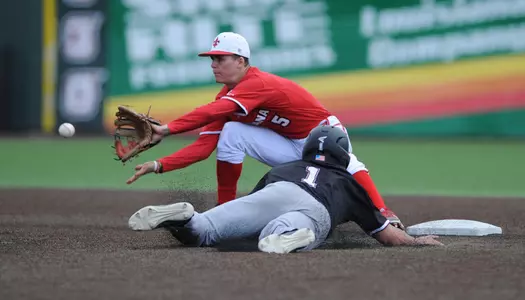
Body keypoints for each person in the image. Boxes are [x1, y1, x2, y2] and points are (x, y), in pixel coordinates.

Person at [122, 31, 403, 228]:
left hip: (322, 136)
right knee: (231, 133)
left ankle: (382, 211)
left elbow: (213, 111)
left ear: (241, 61)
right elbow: (204, 147)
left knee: (349, 164)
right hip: (288, 145)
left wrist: (168, 129)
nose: (213, 64)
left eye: (221, 58)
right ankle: (224, 211)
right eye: (212, 59)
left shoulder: (258, 84)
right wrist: (159, 164)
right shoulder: (227, 99)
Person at [128, 125, 443, 253]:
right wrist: (416, 241)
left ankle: (187, 217)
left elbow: (251, 205)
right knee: (279, 232)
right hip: (315, 207)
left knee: (207, 231)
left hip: (275, 189)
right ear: (343, 155)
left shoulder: (283, 167)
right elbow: (388, 236)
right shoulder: (348, 184)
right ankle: (287, 236)